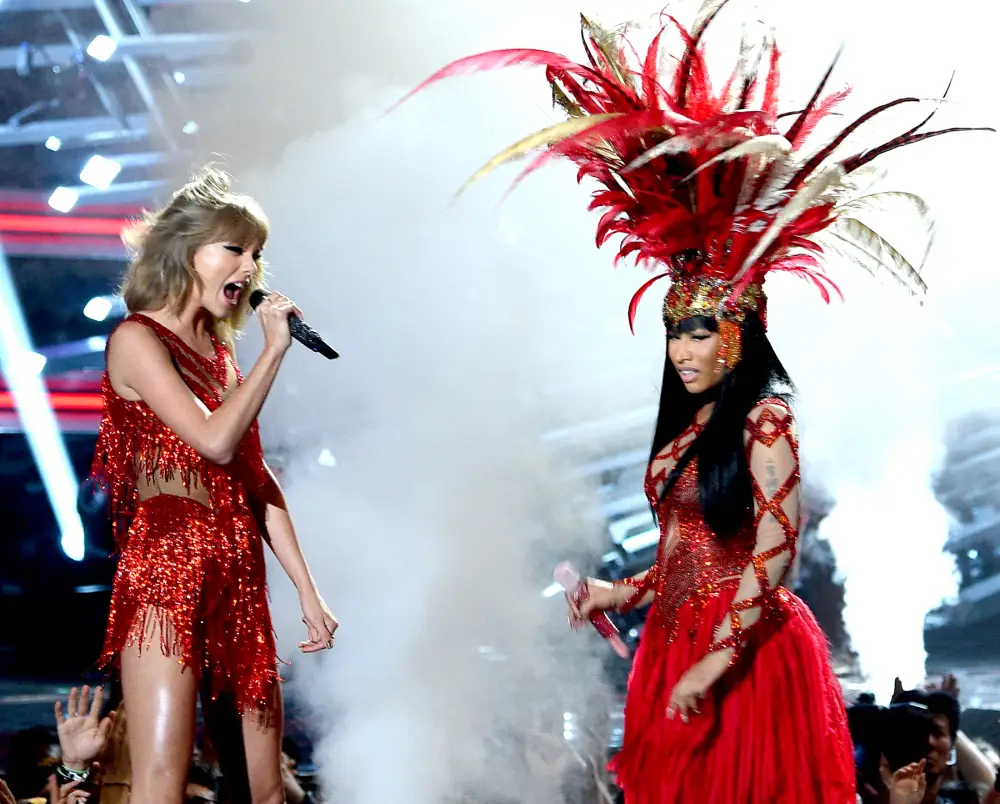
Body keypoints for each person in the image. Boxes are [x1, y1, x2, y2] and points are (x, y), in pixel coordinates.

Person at [401, 1, 988, 801]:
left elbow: (772, 551)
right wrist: (620, 591)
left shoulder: (765, 421)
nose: (681, 350)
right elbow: (689, 554)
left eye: (698, 333)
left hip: (749, 660)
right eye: (674, 333)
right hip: (676, 652)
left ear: (736, 338)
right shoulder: (689, 430)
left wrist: (717, 657)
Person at [88, 168, 338, 804]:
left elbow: (255, 476)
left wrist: (308, 591)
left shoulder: (221, 355)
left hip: (237, 574)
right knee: (162, 787)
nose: (251, 267)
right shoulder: (137, 339)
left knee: (267, 792)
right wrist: (273, 352)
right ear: (187, 250)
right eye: (235, 248)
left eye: (257, 253)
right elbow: (215, 441)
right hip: (168, 572)